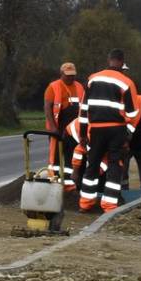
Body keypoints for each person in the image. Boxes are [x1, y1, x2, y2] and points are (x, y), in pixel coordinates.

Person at [73, 50, 141, 213]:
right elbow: (133, 114)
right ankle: (109, 206)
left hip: (96, 129)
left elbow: (83, 110)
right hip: (116, 130)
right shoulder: (127, 82)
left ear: (109, 60)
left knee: (92, 165)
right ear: (122, 62)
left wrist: (83, 134)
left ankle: (85, 203)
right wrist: (128, 134)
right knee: (114, 166)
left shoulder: (92, 79)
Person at [42, 61, 85, 193]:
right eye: (68, 75)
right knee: (55, 157)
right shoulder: (53, 87)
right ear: (61, 74)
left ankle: (70, 185)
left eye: (73, 75)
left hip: (74, 130)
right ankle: (54, 183)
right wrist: (53, 127)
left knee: (72, 157)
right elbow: (47, 107)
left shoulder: (79, 87)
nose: (70, 78)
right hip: (58, 127)